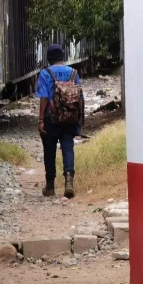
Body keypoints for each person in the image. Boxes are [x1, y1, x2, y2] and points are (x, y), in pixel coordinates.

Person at [35, 44, 83, 198]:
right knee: (68, 148)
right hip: (69, 118)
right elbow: (79, 98)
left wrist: (41, 119)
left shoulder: (45, 73)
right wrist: (79, 120)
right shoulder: (73, 72)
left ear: (49, 58)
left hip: (51, 117)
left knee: (49, 151)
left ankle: (50, 186)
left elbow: (43, 97)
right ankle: (69, 182)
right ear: (62, 57)